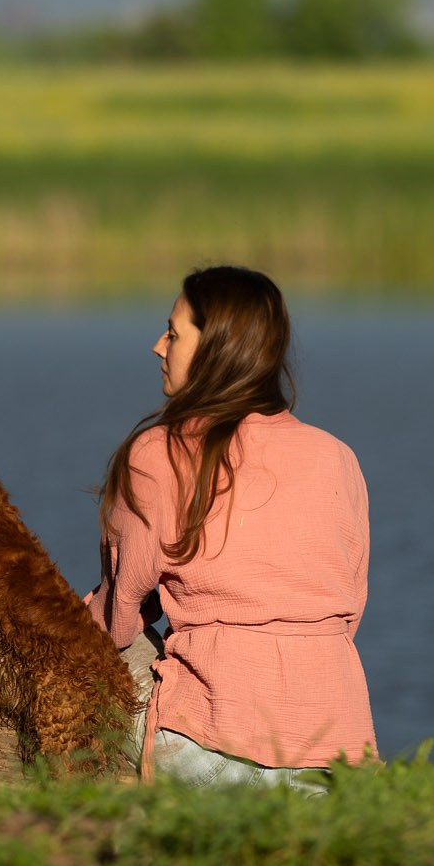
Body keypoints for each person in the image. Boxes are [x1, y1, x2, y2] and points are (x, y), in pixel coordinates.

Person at [87, 265, 376, 787]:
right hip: (338, 748)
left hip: (210, 743)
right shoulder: (338, 458)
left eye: (173, 333)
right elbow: (348, 610)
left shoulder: (159, 454)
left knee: (93, 642)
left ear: (216, 349)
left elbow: (119, 615)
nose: (158, 346)